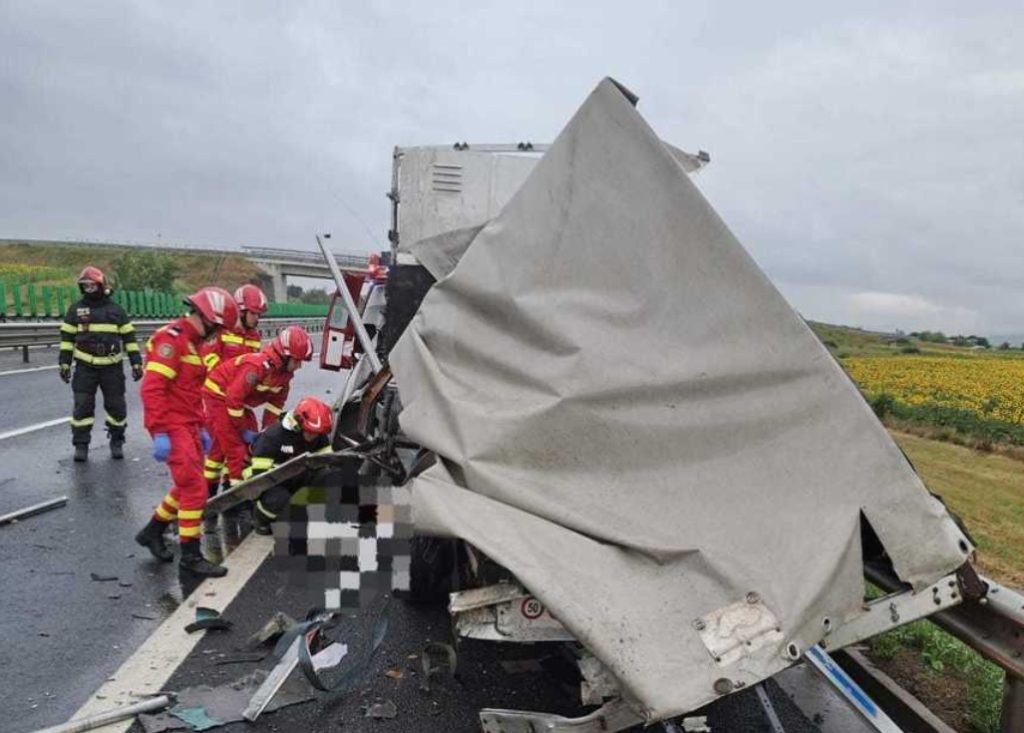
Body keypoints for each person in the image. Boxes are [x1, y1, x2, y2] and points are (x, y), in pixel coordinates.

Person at [133, 286, 239, 578]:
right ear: (206, 318)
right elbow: (152, 389)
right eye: (216, 328)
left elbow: (191, 393)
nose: (216, 334)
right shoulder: (173, 341)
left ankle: (153, 530)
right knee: (195, 488)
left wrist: (202, 426)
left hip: (188, 425)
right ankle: (190, 555)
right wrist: (159, 432)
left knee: (185, 484)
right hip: (172, 426)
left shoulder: (193, 345)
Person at [202, 326, 313, 495]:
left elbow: (274, 408)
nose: (299, 366)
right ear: (284, 356)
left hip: (238, 403)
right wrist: (241, 430)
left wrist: (266, 434)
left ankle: (221, 493)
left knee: (247, 446)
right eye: (297, 361)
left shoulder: (283, 378)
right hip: (218, 396)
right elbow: (233, 399)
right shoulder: (257, 367)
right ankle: (235, 501)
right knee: (236, 448)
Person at [58, 266, 143, 461]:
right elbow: (67, 339)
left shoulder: (116, 311)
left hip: (111, 368)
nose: (88, 289)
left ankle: (116, 441)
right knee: (82, 408)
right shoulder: (76, 310)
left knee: (116, 407)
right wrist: (64, 363)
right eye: (84, 286)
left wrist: (136, 363)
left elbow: (129, 338)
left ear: (100, 285)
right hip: (84, 368)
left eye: (91, 285)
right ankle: (81, 446)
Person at [200, 284, 266, 498]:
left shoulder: (254, 336)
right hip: (218, 396)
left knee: (235, 445)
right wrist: (228, 382)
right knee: (221, 447)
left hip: (238, 399)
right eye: (254, 314)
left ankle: (227, 490)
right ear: (241, 310)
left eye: (259, 314)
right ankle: (212, 494)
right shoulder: (222, 330)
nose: (257, 319)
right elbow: (208, 358)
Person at [244, 396, 334, 535]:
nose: (313, 437)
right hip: (268, 478)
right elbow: (259, 476)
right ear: (298, 424)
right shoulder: (274, 436)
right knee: (280, 500)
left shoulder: (317, 434)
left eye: (317, 434)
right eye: (310, 432)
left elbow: (326, 460)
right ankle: (261, 518)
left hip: (294, 475)